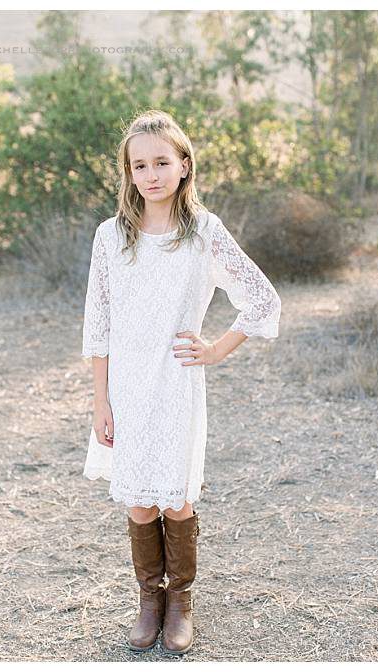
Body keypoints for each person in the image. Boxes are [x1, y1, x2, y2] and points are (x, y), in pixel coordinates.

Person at [81, 110, 281, 654]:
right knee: (140, 502)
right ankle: (149, 598)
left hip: (176, 384)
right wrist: (101, 400)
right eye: (139, 165)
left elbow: (261, 299)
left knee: (175, 501)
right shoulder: (110, 237)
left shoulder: (205, 234)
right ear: (128, 172)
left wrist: (215, 348)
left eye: (162, 162)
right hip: (125, 387)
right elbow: (97, 323)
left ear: (184, 165)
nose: (151, 174)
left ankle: (180, 603)